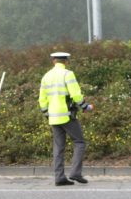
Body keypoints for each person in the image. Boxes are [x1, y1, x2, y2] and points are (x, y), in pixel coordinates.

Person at [39, 52, 93, 186]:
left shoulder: (46, 76)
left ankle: (59, 177)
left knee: (58, 147)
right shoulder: (67, 74)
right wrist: (85, 106)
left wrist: (47, 113)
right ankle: (75, 173)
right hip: (67, 115)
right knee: (79, 142)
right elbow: (75, 94)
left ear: (53, 61)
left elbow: (42, 99)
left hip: (53, 116)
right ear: (66, 61)